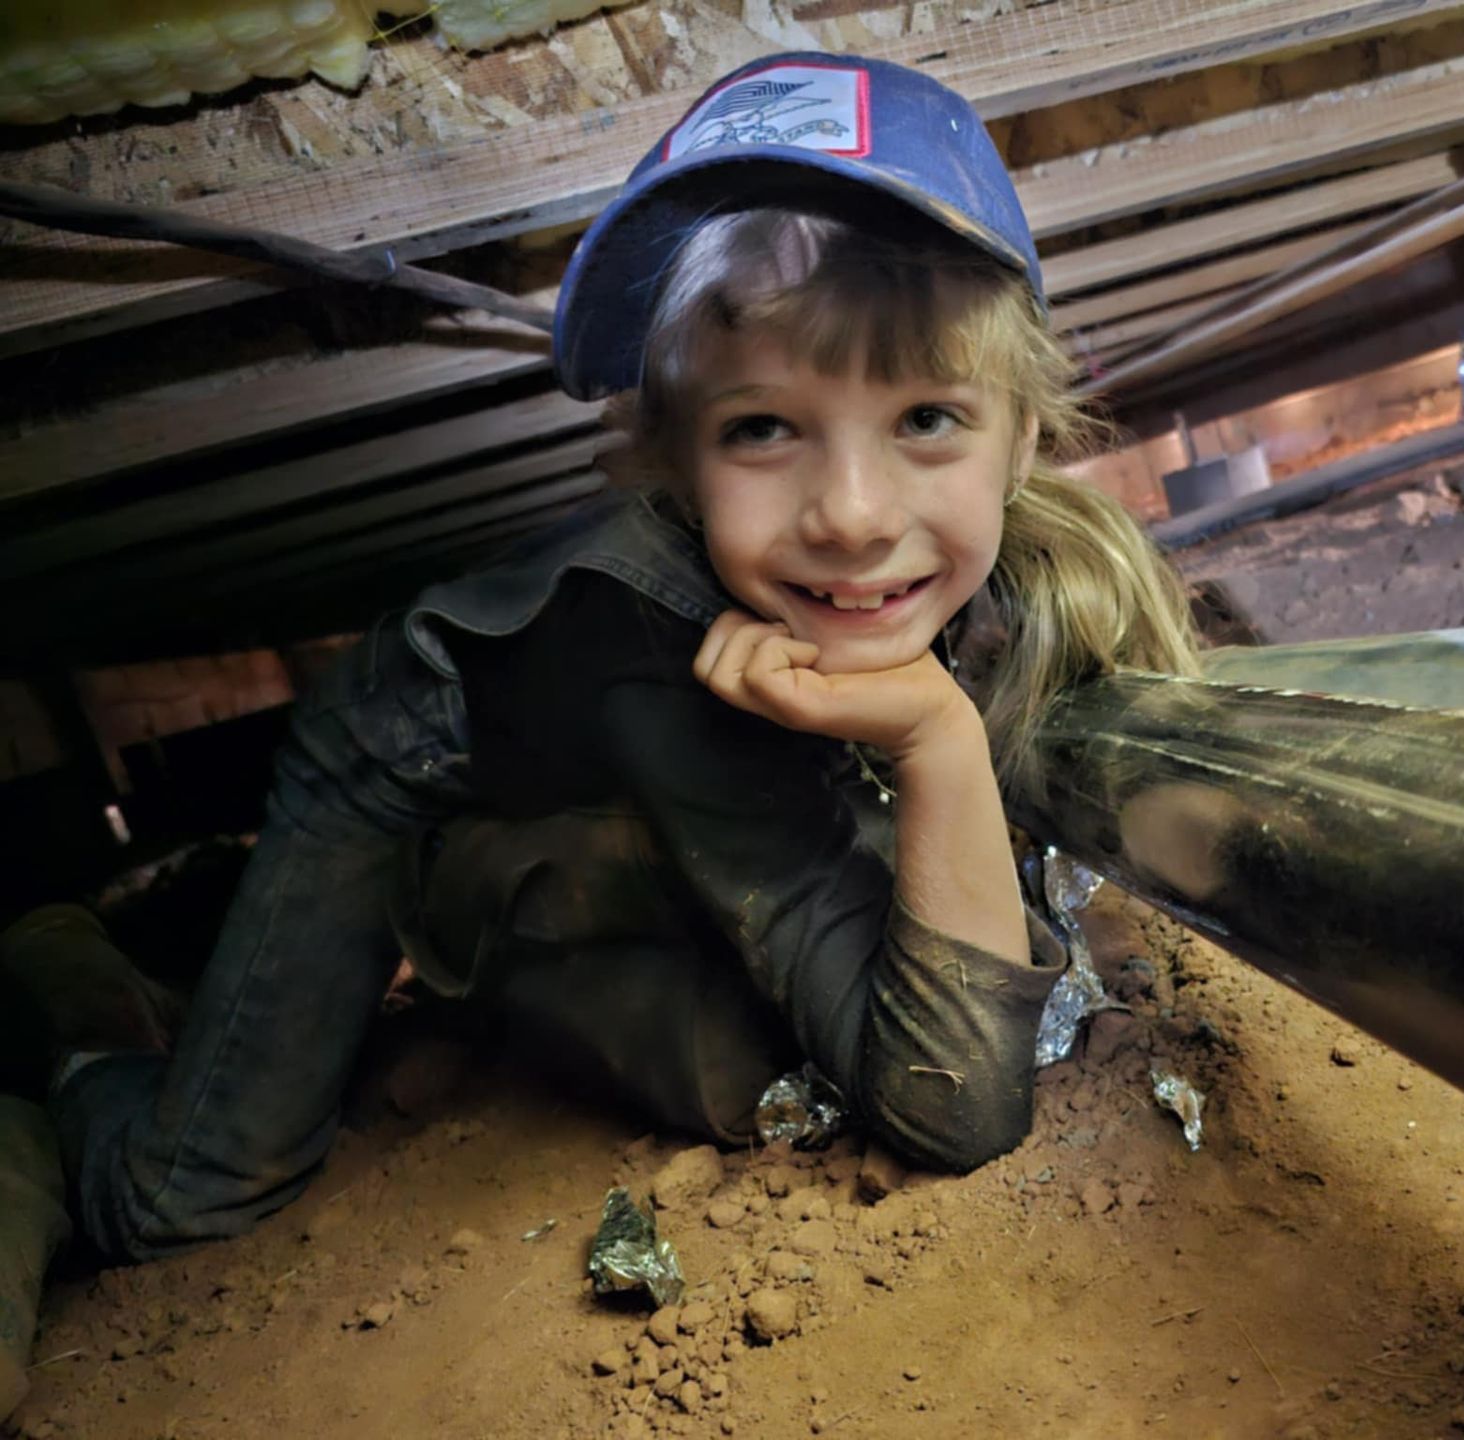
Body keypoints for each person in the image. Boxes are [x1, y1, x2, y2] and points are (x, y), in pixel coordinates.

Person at [1, 52, 1199, 1294]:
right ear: (672, 466)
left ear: (1022, 438)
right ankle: (76, 1013)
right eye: (761, 429)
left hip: (611, 730)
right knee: (181, 1197)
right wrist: (938, 742)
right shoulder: (666, 673)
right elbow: (954, 1107)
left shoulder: (1044, 567)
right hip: (400, 749)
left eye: (928, 419)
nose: (850, 514)